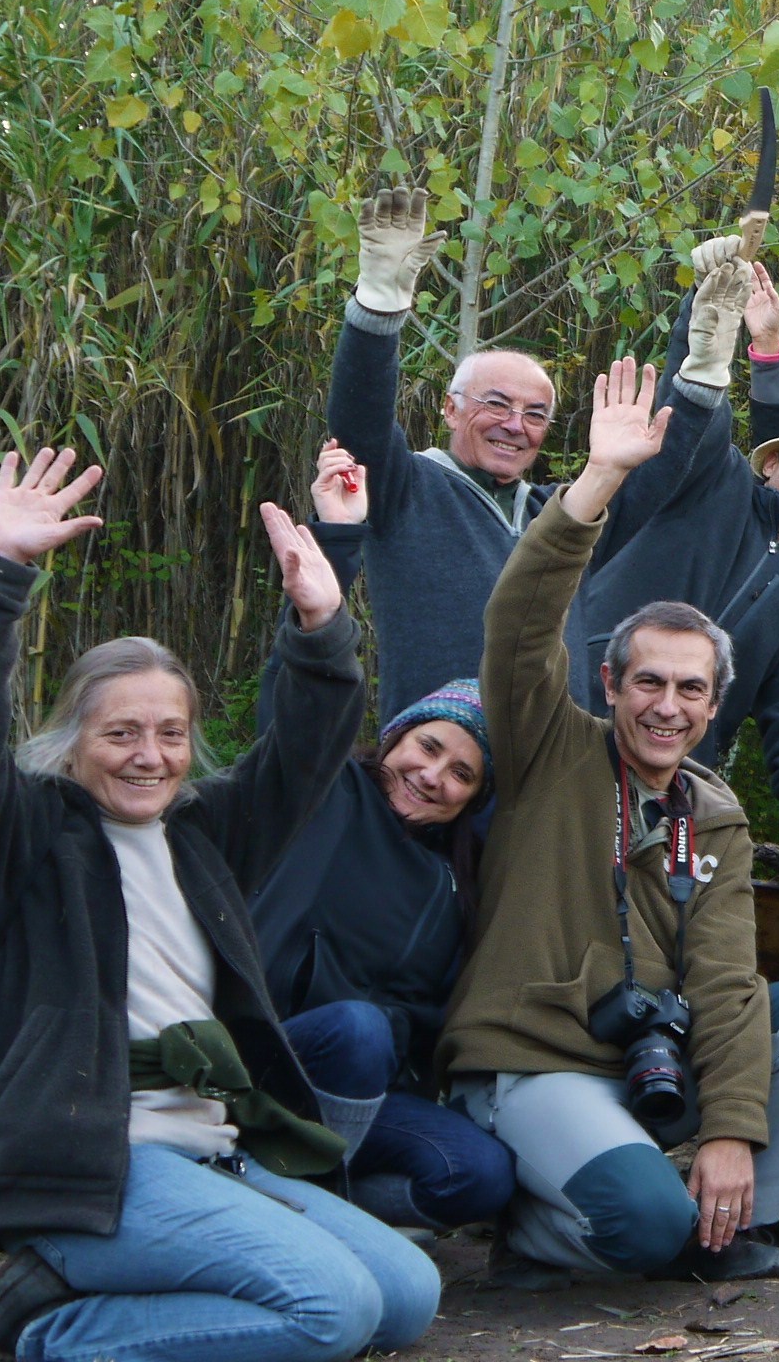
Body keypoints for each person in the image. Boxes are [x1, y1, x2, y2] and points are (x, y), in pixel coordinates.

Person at [0, 447, 439, 1361]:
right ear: (73, 743)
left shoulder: (202, 837)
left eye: (171, 733)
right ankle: (49, 1332)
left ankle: (95, 1288)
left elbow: (301, 755)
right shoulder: (14, 845)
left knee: (406, 1297)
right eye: (121, 733)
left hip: (209, 1152)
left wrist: (321, 620)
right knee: (332, 1311)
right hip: (87, 1168)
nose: (150, 756)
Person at [441, 359, 779, 1287]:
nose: (667, 708)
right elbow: (517, 621)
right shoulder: (551, 742)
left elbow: (723, 980)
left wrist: (731, 1130)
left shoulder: (710, 811)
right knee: (640, 1229)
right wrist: (598, 481)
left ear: (716, 707)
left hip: (645, 1051)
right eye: (649, 683)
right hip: (537, 1053)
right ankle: (545, 1222)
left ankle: (730, 1223)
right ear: (610, 683)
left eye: (691, 690)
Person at [248, 440, 519, 1235]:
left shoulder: (458, 880)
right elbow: (297, 698)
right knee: (356, 1026)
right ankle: (305, 1217)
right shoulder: (324, 793)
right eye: (428, 749)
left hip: (361, 1089)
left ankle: (319, 1198)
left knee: (478, 1176)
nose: (435, 776)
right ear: (394, 740)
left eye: (463, 773)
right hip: (263, 1056)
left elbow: (424, 1015)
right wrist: (331, 556)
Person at [564, 245, 779, 846]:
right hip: (577, 717)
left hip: (670, 768)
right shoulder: (716, 479)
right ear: (774, 460)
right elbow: (692, 408)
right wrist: (701, 313)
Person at [326, 186, 561, 717]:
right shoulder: (405, 488)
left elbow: (657, 488)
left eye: (535, 415)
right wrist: (379, 305)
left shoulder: (558, 515)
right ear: (450, 410)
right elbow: (358, 422)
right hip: (433, 765)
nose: (514, 426)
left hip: (547, 773)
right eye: (495, 404)